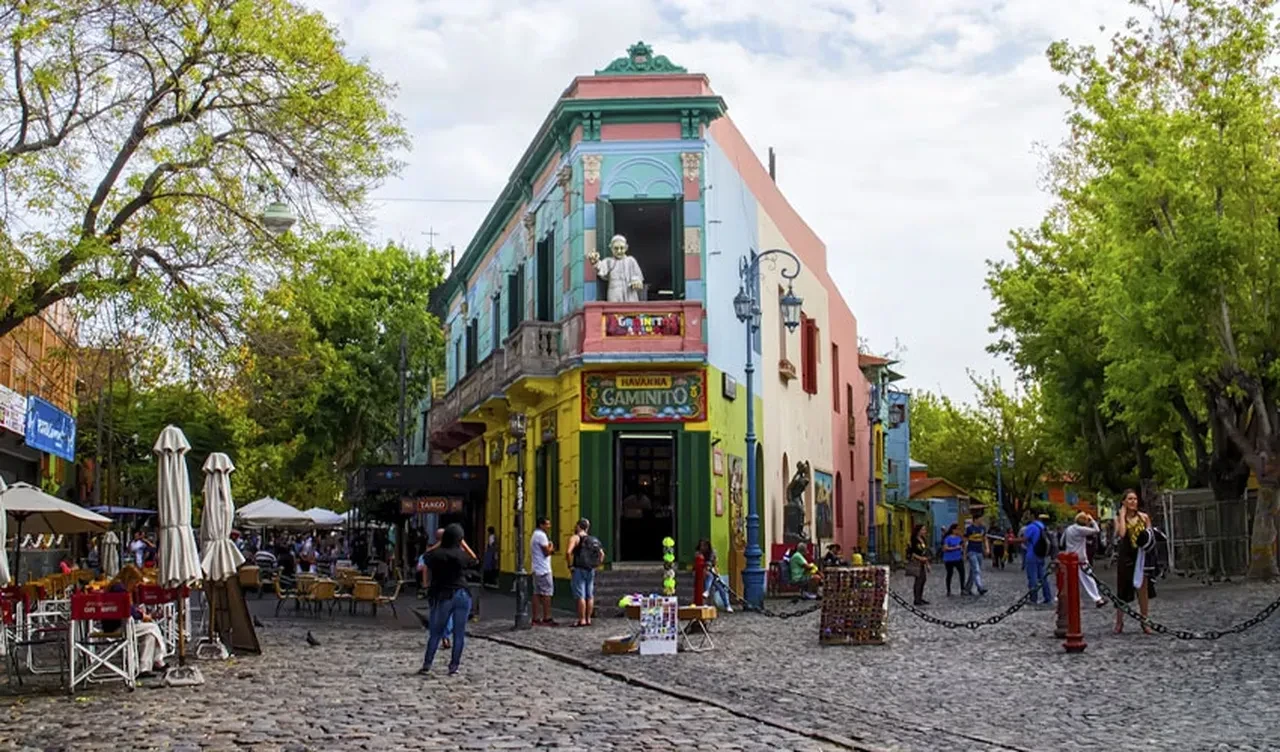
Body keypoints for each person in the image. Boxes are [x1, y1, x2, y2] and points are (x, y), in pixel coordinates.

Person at [418, 524, 475, 676]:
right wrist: (463, 544)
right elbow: (474, 559)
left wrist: (440, 543)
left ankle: (427, 664)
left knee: (436, 631)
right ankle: (454, 666)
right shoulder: (462, 555)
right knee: (459, 633)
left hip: (443, 595)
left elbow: (425, 556)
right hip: (462, 594)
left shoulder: (436, 555)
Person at [99, 565, 168, 676]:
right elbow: (128, 610)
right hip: (118, 627)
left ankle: (144, 668)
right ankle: (159, 659)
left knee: (149, 635)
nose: (136, 587)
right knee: (153, 627)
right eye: (135, 583)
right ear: (130, 579)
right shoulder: (119, 589)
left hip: (120, 625)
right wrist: (142, 616)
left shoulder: (116, 587)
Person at [1114, 489, 1157, 634]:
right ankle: (1119, 622)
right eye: (1130, 499)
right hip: (1126, 555)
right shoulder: (1120, 518)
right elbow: (1122, 533)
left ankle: (1145, 621)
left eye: (1135, 499)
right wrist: (1122, 515)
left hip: (1141, 555)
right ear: (1124, 502)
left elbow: (1150, 535)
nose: (1133, 502)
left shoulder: (1144, 517)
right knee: (1122, 589)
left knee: (1143, 589)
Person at [566, 518, 606, 627]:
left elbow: (568, 552)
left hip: (579, 568)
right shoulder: (594, 540)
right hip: (590, 569)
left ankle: (582, 619)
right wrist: (596, 564)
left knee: (580, 596)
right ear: (587, 528)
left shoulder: (575, 538)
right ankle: (588, 619)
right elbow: (602, 554)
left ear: (578, 526)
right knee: (590, 595)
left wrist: (570, 566)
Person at [1064, 512, 1106, 608]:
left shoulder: (1068, 529)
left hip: (1069, 556)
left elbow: (1062, 541)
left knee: (1068, 579)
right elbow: (1096, 530)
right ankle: (1097, 599)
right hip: (1080, 558)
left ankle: (1062, 597)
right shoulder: (1080, 530)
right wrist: (1092, 520)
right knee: (1088, 579)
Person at [1021, 514, 1054, 604]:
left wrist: (1011, 540)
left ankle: (1033, 598)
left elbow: (1024, 539)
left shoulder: (1031, 527)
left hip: (1032, 553)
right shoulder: (1042, 527)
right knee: (1043, 577)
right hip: (1041, 554)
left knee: (1032, 577)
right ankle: (1047, 597)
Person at [530, 517, 556, 625]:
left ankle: (536, 618)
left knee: (536, 593)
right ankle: (547, 617)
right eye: (547, 524)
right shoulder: (541, 536)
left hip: (536, 568)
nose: (549, 526)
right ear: (541, 525)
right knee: (547, 594)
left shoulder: (535, 535)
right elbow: (547, 552)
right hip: (543, 569)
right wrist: (551, 547)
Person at [695, 538, 732, 612]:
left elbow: (714, 563)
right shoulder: (698, 553)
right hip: (704, 574)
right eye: (701, 546)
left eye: (704, 545)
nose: (703, 547)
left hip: (713, 573)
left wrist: (710, 566)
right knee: (709, 576)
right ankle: (707, 592)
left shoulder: (712, 552)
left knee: (721, 589)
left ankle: (727, 605)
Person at [964, 514, 989, 596]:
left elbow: (985, 539)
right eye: (980, 519)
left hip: (979, 552)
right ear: (975, 519)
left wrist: (987, 548)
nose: (982, 521)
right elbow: (965, 541)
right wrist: (965, 553)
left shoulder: (982, 528)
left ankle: (967, 588)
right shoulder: (969, 529)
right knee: (976, 569)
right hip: (971, 551)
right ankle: (980, 587)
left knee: (973, 571)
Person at [907, 524, 931, 606]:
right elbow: (912, 553)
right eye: (923, 529)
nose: (925, 531)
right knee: (918, 580)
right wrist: (920, 558)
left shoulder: (923, 539)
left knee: (923, 579)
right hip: (916, 562)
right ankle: (916, 599)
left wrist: (927, 563)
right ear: (918, 531)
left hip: (923, 562)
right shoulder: (914, 540)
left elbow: (924, 552)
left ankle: (920, 597)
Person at [941, 524, 965, 596]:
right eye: (957, 529)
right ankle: (948, 590)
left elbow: (963, 545)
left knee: (962, 573)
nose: (958, 531)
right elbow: (945, 548)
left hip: (958, 558)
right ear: (953, 530)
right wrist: (955, 548)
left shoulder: (959, 538)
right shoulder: (947, 538)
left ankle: (962, 589)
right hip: (949, 559)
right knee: (949, 574)